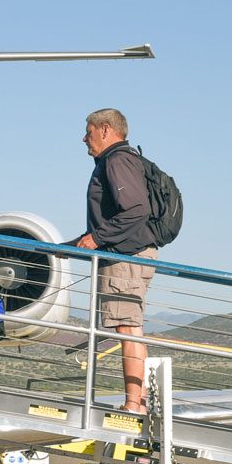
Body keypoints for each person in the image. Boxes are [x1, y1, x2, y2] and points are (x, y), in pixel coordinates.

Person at [76, 108, 156, 413]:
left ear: (106, 129)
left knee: (127, 328)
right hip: (131, 254)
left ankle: (134, 403)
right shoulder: (125, 159)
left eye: (89, 130)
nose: (85, 138)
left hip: (125, 258)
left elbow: (135, 209)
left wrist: (97, 238)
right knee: (131, 327)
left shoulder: (116, 160)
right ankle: (141, 399)